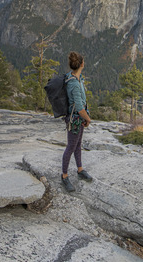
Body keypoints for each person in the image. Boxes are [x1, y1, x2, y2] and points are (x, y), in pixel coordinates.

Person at [61, 51, 93, 192]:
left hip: (78, 119)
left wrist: (84, 118)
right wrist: (88, 119)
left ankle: (80, 169)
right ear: (82, 64)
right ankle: (64, 176)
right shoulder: (74, 83)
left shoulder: (75, 78)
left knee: (78, 144)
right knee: (71, 147)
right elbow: (79, 107)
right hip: (75, 119)